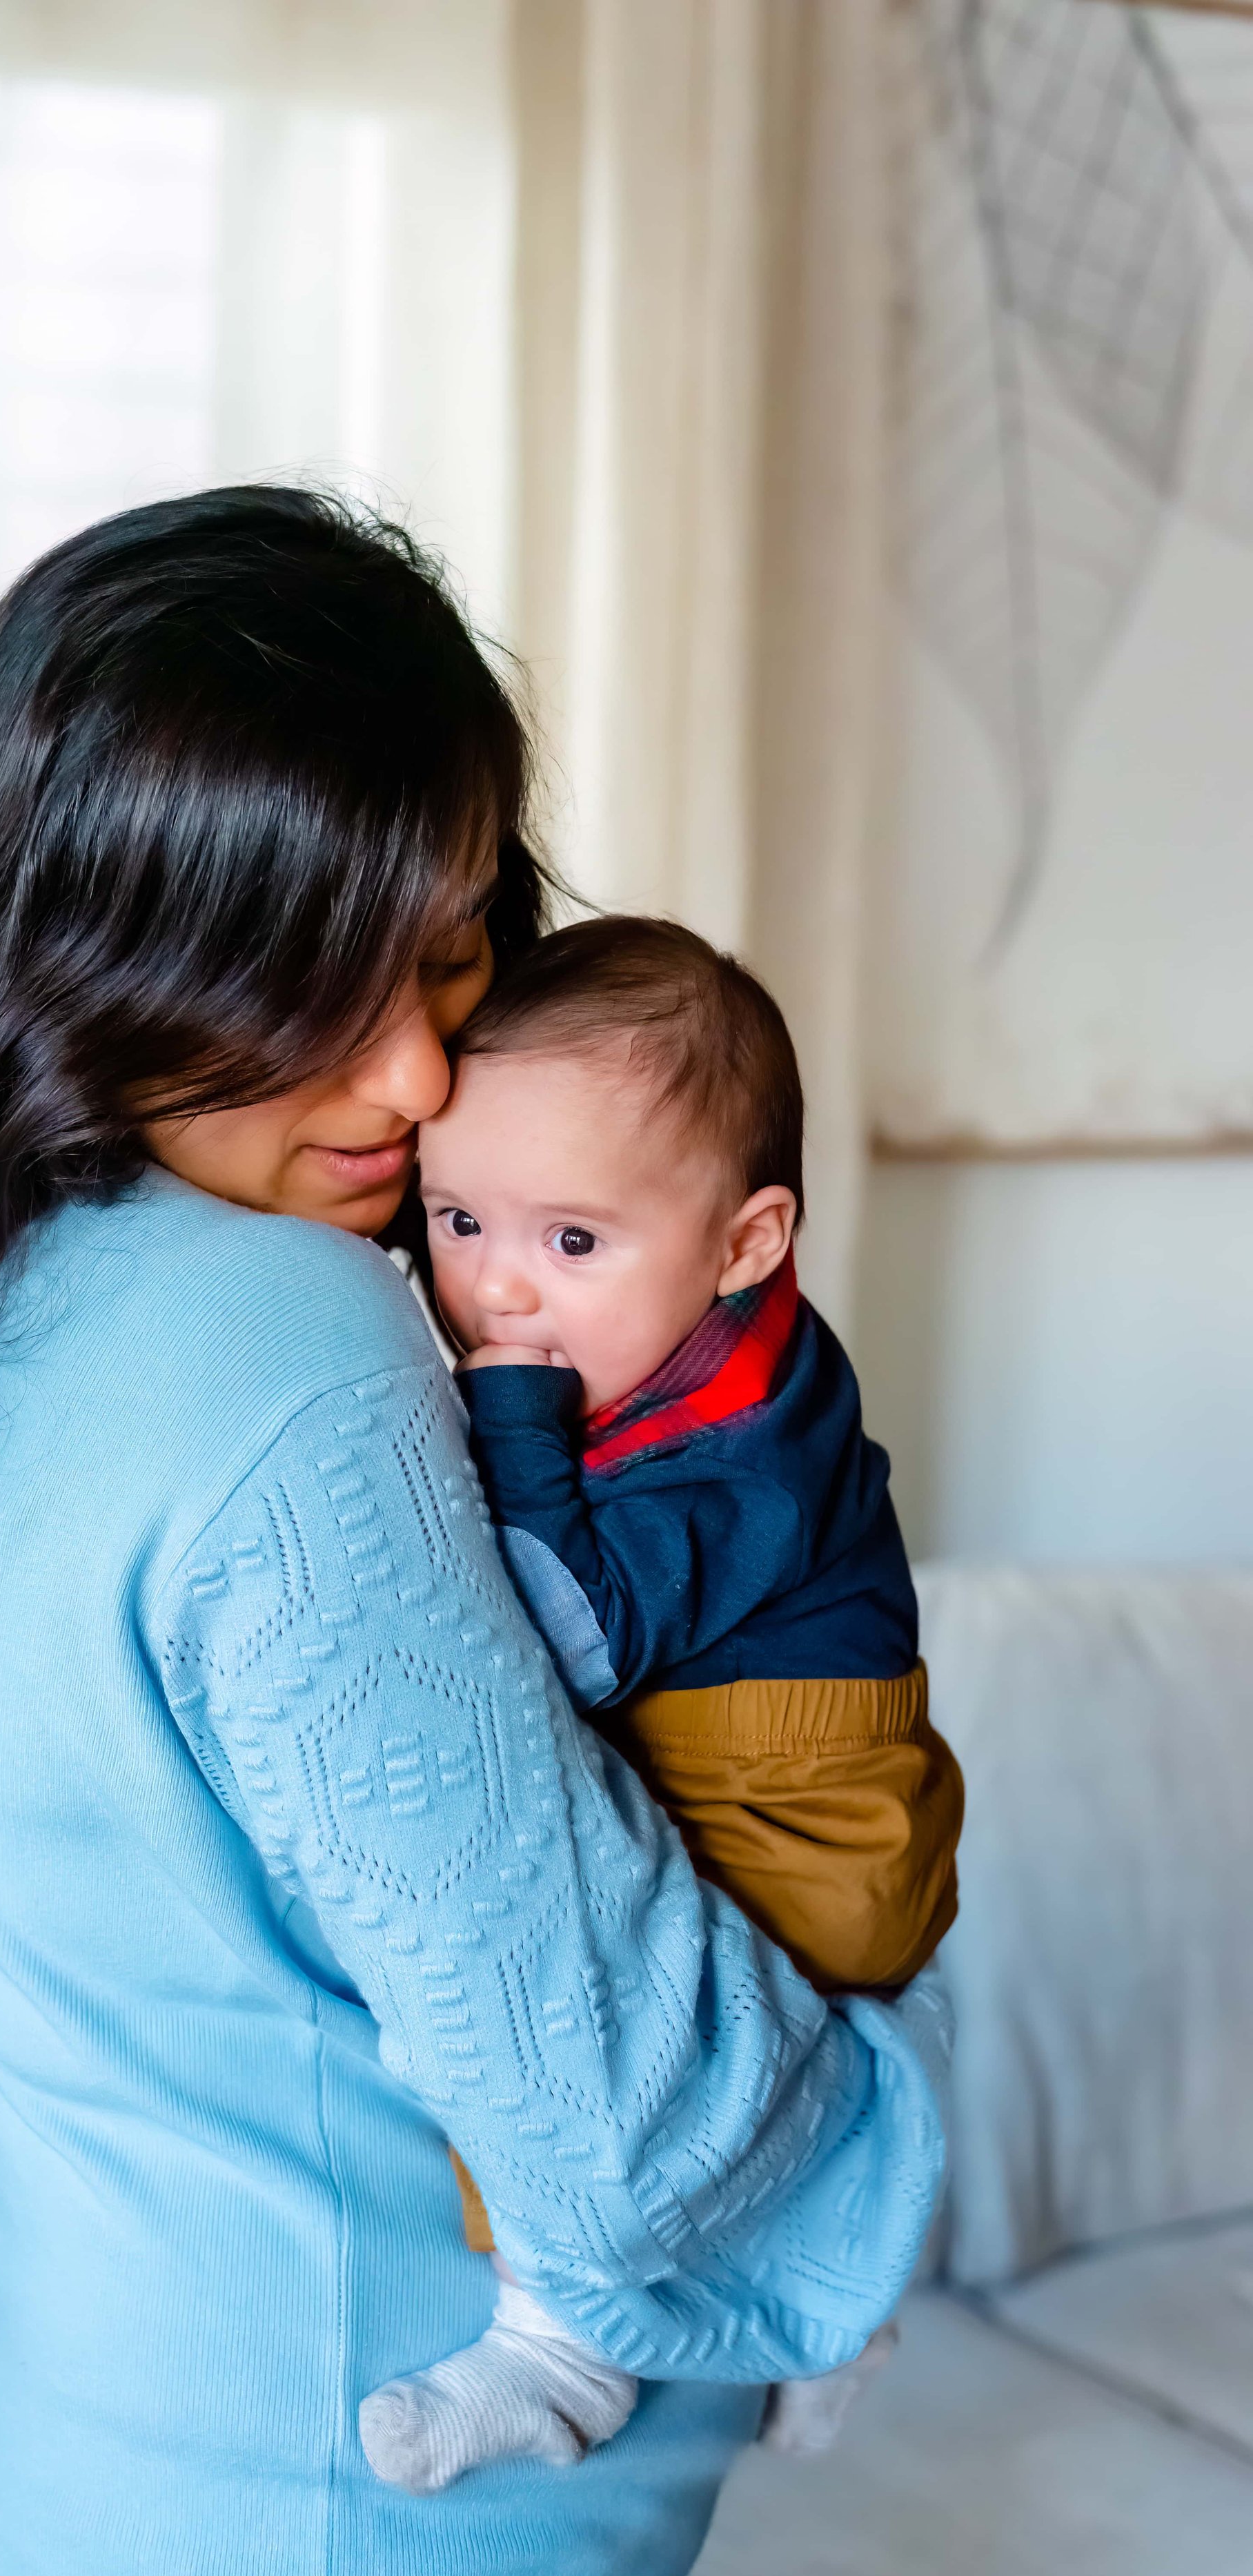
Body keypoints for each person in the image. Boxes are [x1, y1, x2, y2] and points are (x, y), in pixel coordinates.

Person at [0, 489, 947, 2576]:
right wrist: (893, 2134)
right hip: (367, 2509)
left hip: (79, 2458)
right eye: (310, 994)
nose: (420, 1069)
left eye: (447, 961)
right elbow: (616, 2122)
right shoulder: (289, 1340)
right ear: (125, 952)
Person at [357, 915, 964, 2493]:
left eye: (572, 1243)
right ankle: (823, 2309)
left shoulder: (738, 1441)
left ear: (744, 1244)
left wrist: (498, 1412)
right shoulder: (677, 1342)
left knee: (563, 2025)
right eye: (457, 1216)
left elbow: (564, 1633)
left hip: (801, 1821)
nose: (496, 1287)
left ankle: (567, 2352)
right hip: (784, 1778)